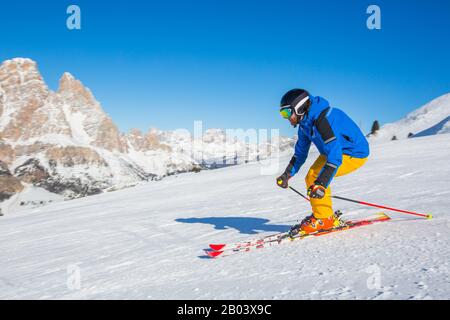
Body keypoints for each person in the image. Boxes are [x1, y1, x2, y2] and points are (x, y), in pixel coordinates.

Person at [276, 89, 369, 236]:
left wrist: (322, 183)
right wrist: (287, 174)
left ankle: (324, 219)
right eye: (282, 114)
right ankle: (325, 215)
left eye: (287, 113)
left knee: (315, 176)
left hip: (354, 153)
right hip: (332, 152)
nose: (286, 118)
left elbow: (336, 156)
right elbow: (300, 153)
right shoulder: (305, 124)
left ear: (300, 107)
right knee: (312, 178)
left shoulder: (323, 120)